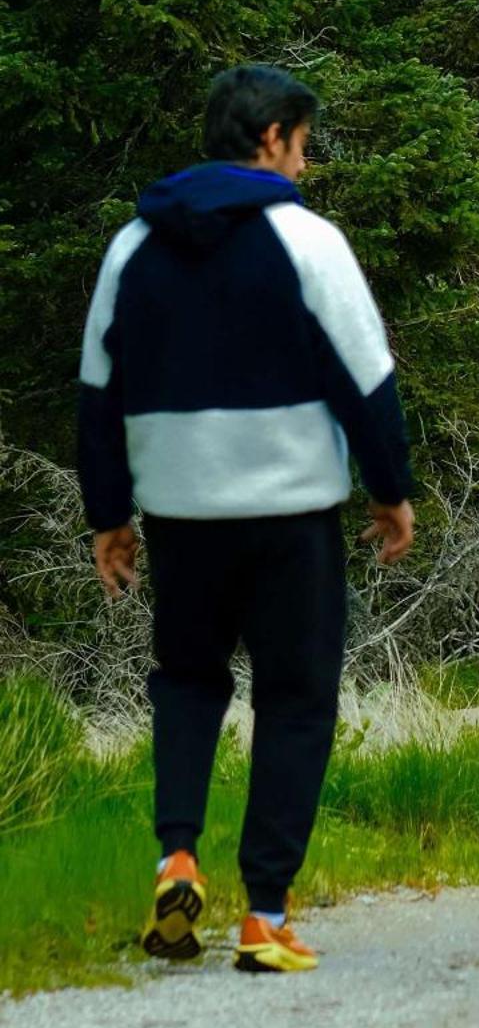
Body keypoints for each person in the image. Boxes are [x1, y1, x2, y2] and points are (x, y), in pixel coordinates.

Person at [78, 64, 416, 975]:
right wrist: (391, 491)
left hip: (180, 514)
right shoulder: (306, 242)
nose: (304, 165)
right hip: (291, 511)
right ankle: (265, 914)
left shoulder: (130, 247)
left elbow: (97, 393)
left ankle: (176, 857)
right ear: (271, 139)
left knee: (188, 683)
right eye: (302, 146)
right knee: (295, 701)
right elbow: (366, 380)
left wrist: (109, 515)